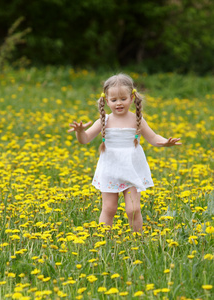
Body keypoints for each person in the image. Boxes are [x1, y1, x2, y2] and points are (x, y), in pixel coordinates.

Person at [68, 74, 181, 232]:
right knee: (109, 208)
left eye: (123, 98)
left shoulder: (137, 120)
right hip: (110, 168)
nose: (118, 103)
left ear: (132, 97)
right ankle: (103, 239)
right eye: (114, 100)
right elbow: (85, 139)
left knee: (133, 209)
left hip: (132, 168)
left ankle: (137, 239)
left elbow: (153, 137)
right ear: (107, 101)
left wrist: (165, 142)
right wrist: (80, 131)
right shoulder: (104, 121)